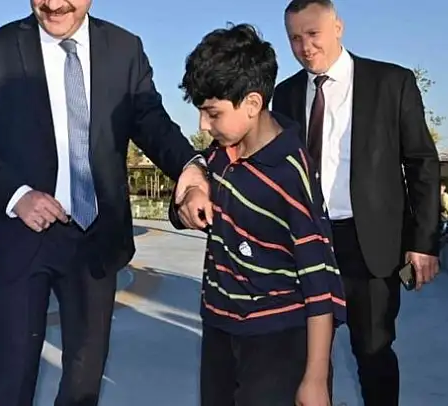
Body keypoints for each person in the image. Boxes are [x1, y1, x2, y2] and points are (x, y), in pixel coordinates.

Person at [0, 1, 211, 405]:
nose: (53, 5)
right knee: (12, 376)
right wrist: (17, 195)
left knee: (84, 382)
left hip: (95, 239)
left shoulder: (124, 49)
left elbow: (151, 122)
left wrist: (189, 166)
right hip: (23, 235)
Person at [272, 1, 441, 405]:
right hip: (306, 244)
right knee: (308, 359)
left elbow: (422, 163)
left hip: (370, 247)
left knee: (373, 353)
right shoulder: (286, 94)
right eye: (295, 38)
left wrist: (423, 241)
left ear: (338, 27)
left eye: (313, 34)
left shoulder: (391, 83)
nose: (305, 47)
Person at [170, 23, 346, 406]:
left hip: (277, 341)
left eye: (212, 113)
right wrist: (193, 191)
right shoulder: (219, 155)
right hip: (219, 328)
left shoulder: (289, 173)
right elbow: (187, 199)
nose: (203, 125)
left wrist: (316, 377)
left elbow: (320, 281)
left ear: (252, 104)